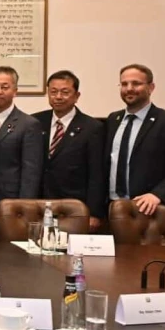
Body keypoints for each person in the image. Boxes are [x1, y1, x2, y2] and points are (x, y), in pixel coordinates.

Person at [105, 64, 165, 216]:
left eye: (136, 83)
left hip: (148, 208)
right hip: (111, 207)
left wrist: (158, 194)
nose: (129, 88)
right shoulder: (113, 119)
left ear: (151, 87)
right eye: (124, 84)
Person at [33, 70, 106, 230]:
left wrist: (93, 213)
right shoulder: (35, 122)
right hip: (38, 204)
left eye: (65, 92)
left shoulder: (92, 128)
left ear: (77, 96)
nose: (58, 97)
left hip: (74, 207)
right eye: (53, 92)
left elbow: (97, 174)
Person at [0, 66, 43, 240]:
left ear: (15, 91)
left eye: (5, 87)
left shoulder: (28, 124)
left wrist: (23, 208)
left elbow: (31, 171)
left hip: (10, 204)